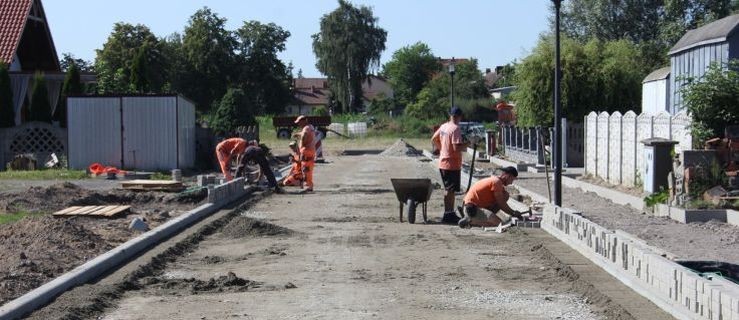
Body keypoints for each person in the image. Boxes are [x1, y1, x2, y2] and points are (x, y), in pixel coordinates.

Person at [431, 106, 469, 224]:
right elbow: (456, 147)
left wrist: (442, 149)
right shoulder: (455, 128)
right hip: (451, 163)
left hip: (443, 162)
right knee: (450, 190)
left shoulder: (444, 126)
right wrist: (468, 144)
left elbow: (433, 139)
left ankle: (449, 213)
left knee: (448, 189)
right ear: (459, 116)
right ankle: (448, 214)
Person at [458, 166, 525, 228]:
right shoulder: (496, 182)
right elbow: (501, 203)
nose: (511, 183)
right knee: (499, 224)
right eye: (512, 180)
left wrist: (511, 213)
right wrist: (513, 213)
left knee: (505, 195)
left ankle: (480, 218)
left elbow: (501, 201)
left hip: (476, 206)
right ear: (508, 176)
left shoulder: (496, 181)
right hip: (472, 208)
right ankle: (470, 221)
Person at [295, 115, 316, 192]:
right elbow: (304, 133)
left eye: (299, 122)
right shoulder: (311, 127)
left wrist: (302, 144)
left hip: (306, 151)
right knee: (309, 169)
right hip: (311, 150)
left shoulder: (306, 128)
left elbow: (304, 135)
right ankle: (309, 185)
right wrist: (298, 134)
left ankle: (308, 186)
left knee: (305, 169)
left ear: (304, 121)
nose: (298, 124)